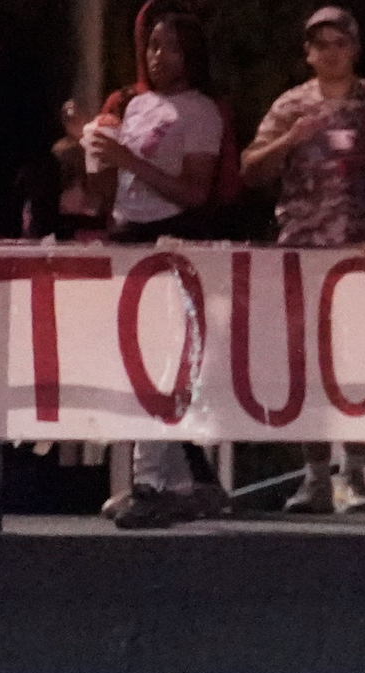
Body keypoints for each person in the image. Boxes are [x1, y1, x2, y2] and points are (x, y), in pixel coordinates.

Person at [242, 6, 365, 515]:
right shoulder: (291, 105)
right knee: (309, 364)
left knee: (356, 363)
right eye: (321, 44)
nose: (331, 53)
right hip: (305, 251)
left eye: (341, 43)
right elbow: (250, 169)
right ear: (308, 54)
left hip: (362, 250)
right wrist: (292, 140)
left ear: (355, 48)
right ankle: (315, 476)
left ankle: (353, 475)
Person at [85, 9, 229, 530]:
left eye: (171, 47)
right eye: (152, 46)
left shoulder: (200, 112)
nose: (159, 57)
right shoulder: (131, 104)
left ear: (191, 55)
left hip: (173, 239)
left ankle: (152, 481)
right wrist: (94, 157)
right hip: (126, 235)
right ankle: (187, 478)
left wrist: (128, 160)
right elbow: (106, 192)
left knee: (161, 361)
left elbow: (194, 190)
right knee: (132, 359)